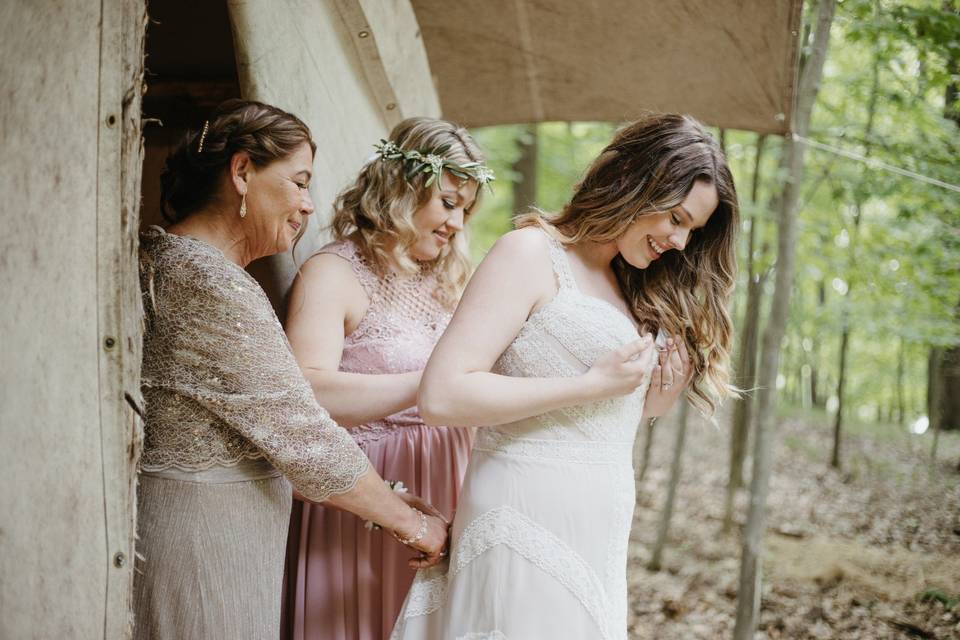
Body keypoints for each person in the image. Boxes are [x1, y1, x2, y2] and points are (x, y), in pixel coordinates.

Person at [390, 113, 739, 640]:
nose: (681, 241)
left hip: (597, 529)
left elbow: (590, 420)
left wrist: (655, 399)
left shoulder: (634, 289)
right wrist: (590, 385)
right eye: (676, 217)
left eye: (693, 229)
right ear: (633, 182)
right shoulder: (530, 254)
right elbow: (442, 394)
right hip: (521, 515)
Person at [134, 99, 447, 640]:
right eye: (299, 183)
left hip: (211, 527)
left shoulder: (175, 261)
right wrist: (414, 524)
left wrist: (388, 492)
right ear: (241, 172)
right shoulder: (210, 282)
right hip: (207, 540)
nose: (307, 206)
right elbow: (302, 437)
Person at [281, 117, 492, 640]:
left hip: (454, 480)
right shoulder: (332, 273)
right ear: (401, 188)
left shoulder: (451, 281)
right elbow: (308, 393)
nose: (457, 224)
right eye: (447, 202)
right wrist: (433, 383)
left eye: (465, 208)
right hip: (368, 496)